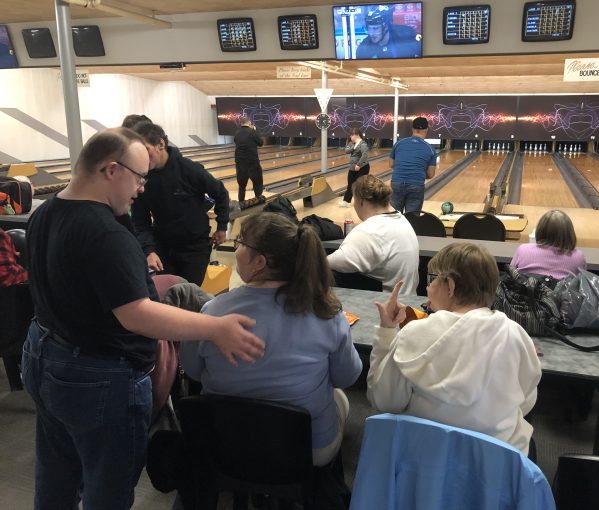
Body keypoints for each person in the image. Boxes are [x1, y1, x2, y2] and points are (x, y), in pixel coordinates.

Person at [21, 127, 265, 510]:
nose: (141, 190)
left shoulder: (45, 212)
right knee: (109, 485)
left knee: (57, 474)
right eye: (139, 178)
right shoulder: (104, 232)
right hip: (96, 376)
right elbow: (136, 315)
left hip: (44, 354)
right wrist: (216, 327)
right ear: (110, 170)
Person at [180, 212, 362, 467]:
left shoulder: (212, 312)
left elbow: (194, 372)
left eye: (241, 242)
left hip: (225, 444)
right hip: (305, 452)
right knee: (340, 397)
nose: (236, 248)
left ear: (260, 263)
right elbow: (347, 377)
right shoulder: (327, 314)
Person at [367, 243, 542, 455]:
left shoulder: (412, 333)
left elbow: (385, 401)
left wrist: (387, 332)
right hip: (496, 469)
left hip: (427, 465)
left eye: (431, 280)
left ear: (449, 286)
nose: (427, 288)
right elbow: (526, 402)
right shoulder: (516, 335)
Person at [131, 122, 229, 285]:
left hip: (195, 248)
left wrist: (222, 226)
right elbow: (140, 220)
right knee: (168, 297)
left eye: (145, 150)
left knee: (187, 295)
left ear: (161, 144)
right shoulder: (142, 178)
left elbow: (220, 193)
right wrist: (149, 250)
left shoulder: (189, 170)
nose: (141, 157)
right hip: (163, 247)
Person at [328, 175, 419, 295]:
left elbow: (326, 264)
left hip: (383, 307)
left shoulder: (368, 231)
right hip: (407, 303)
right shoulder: (402, 219)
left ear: (360, 201)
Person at [510, 209, 586, 280]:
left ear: (540, 230)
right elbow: (581, 283)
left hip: (525, 294)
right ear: (569, 233)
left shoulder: (523, 250)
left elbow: (511, 272)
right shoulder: (578, 257)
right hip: (560, 294)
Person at [389, 116, 437, 213]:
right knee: (412, 219)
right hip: (416, 185)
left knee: (393, 217)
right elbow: (431, 174)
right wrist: (418, 172)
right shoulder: (430, 149)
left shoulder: (399, 143)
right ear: (426, 130)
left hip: (397, 183)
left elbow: (391, 164)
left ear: (412, 129)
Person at [355, 5, 422, 60]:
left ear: (386, 27)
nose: (371, 33)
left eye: (375, 28)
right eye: (369, 29)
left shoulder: (407, 35)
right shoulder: (363, 49)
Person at [234, 115, 264, 203]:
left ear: (241, 123)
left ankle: (240, 204)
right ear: (249, 122)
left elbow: (236, 141)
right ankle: (259, 203)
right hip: (252, 163)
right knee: (257, 184)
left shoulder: (237, 133)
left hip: (240, 163)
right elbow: (261, 143)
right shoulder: (252, 131)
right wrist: (255, 130)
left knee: (242, 186)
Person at [338, 127, 370, 208]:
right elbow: (346, 150)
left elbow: (365, 155)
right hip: (352, 168)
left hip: (362, 167)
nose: (350, 137)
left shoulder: (363, 144)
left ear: (356, 135)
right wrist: (354, 146)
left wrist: (359, 165)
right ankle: (346, 202)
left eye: (351, 135)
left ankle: (362, 203)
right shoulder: (351, 143)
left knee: (360, 186)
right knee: (350, 185)